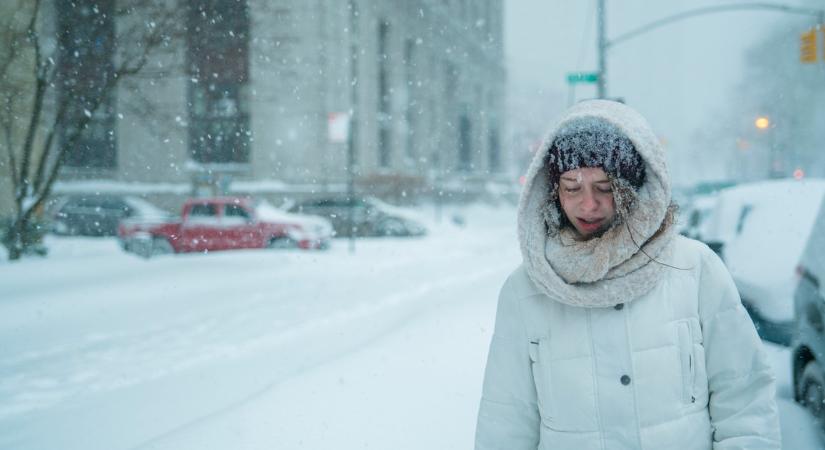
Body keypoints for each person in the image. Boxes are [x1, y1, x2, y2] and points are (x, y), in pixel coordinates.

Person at [474, 100, 781, 450]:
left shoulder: (693, 269)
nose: (588, 204)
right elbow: (507, 422)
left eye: (605, 187)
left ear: (631, 188)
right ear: (553, 192)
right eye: (572, 187)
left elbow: (743, 398)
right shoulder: (525, 290)